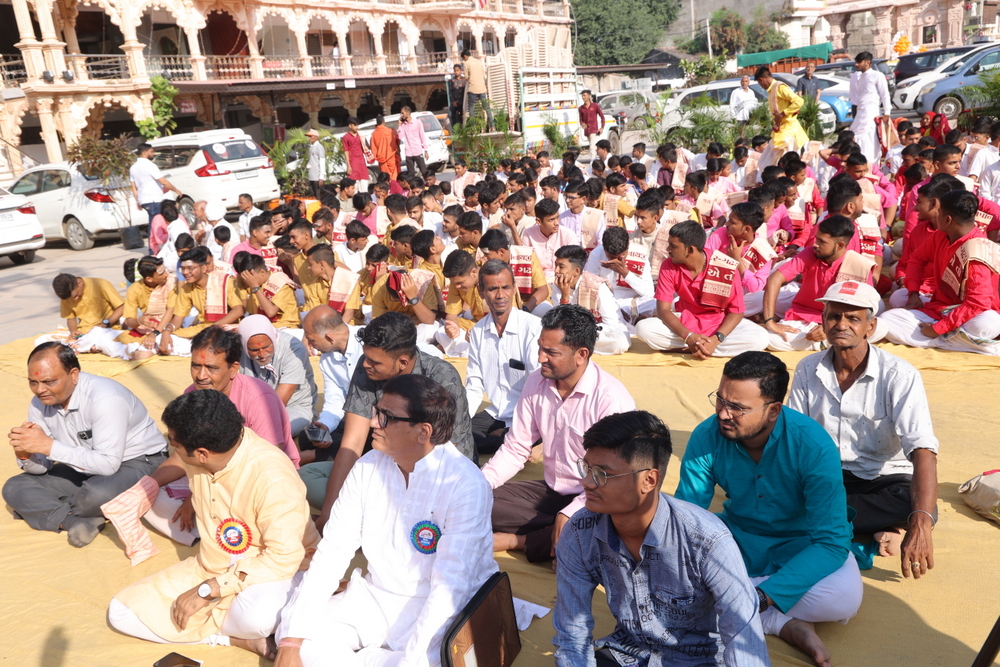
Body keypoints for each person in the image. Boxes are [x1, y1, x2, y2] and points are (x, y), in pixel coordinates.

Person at [273, 374, 497, 666]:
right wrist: (292, 639)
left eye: (386, 417)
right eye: (376, 412)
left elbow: (450, 587)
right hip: (375, 596)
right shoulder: (367, 466)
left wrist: (410, 661)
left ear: (423, 432)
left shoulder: (465, 484)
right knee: (299, 644)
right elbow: (333, 551)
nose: (373, 423)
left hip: (439, 607)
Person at [675, 351, 862, 667]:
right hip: (737, 542)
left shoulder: (813, 446)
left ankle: (749, 609)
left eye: (737, 407)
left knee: (842, 598)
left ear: (773, 410)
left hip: (801, 548)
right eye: (720, 400)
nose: (723, 414)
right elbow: (688, 520)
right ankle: (781, 622)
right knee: (670, 575)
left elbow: (831, 542)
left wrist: (761, 597)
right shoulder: (707, 436)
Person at [107, 389, 319, 658]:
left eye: (175, 444)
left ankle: (236, 628)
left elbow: (283, 558)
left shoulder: (272, 477)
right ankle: (231, 638)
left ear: (202, 454)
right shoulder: (210, 453)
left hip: (277, 571)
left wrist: (210, 589)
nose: (172, 450)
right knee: (121, 612)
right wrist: (145, 489)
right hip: (211, 565)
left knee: (259, 617)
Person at [554, 411, 770, 667]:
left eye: (602, 474)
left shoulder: (707, 541)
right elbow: (572, 637)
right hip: (628, 654)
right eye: (586, 468)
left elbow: (743, 640)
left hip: (700, 660)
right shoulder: (580, 532)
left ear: (648, 480)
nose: (586, 482)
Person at [788, 281, 939, 578]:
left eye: (853, 318)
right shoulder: (808, 368)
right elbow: (794, 437)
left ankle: (827, 521)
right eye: (833, 316)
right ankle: (867, 527)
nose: (841, 324)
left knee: (917, 505)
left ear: (870, 327)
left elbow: (923, 449)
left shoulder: (899, 375)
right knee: (763, 488)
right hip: (824, 477)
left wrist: (921, 524)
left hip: (881, 480)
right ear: (823, 321)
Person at [483, 305, 636, 563]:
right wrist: (478, 485)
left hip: (598, 497)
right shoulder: (536, 382)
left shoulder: (611, 400)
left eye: (551, 352)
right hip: (551, 493)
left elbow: (613, 477)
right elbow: (516, 448)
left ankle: (520, 540)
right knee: (481, 501)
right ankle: (558, 537)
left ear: (581, 355)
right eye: (540, 348)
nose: (540, 358)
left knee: (607, 523)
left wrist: (572, 511)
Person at [302, 313, 475, 522]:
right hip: (387, 464)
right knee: (308, 476)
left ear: (402, 362)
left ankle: (373, 517)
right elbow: (353, 443)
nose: (366, 364)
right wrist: (329, 516)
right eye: (366, 357)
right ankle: (371, 515)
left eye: (374, 362)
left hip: (437, 476)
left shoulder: (442, 377)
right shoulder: (367, 367)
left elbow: (446, 454)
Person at [3, 343, 168, 547]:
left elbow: (108, 464)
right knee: (15, 488)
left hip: (138, 461)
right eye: (33, 382)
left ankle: (53, 511)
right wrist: (25, 454)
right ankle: (75, 520)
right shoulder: (39, 403)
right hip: (83, 465)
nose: (40, 390)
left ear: (73, 375)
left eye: (49, 382)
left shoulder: (105, 398)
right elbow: (42, 467)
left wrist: (48, 447)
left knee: (93, 497)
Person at [881, 189, 1000, 355]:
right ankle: (963, 343)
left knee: (988, 323)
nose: (937, 217)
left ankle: (942, 339)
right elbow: (917, 258)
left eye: (939, 213)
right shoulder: (941, 235)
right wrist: (914, 293)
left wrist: (937, 329)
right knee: (889, 317)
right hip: (940, 308)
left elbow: (977, 303)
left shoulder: (977, 249)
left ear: (947, 219)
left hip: (972, 315)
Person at [635, 221, 770, 358]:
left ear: (690, 250)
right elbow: (663, 310)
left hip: (719, 325)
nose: (668, 249)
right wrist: (688, 336)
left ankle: (699, 347)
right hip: (685, 322)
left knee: (761, 338)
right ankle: (702, 347)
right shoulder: (668, 265)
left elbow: (736, 312)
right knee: (643, 329)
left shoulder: (724, 265)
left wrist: (716, 340)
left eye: (673, 246)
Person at [762, 215, 887, 352]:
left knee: (880, 327)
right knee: (771, 338)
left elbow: (863, 308)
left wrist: (827, 328)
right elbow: (774, 279)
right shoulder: (811, 253)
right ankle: (829, 343)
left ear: (840, 245)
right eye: (816, 239)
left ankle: (823, 341)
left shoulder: (858, 265)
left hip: (840, 322)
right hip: (804, 318)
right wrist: (769, 321)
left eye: (821, 241)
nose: (815, 244)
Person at [465, 259, 543, 455]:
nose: (500, 295)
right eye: (493, 289)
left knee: (494, 441)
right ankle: (506, 441)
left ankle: (512, 439)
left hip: (528, 416)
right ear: (481, 292)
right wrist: (460, 422)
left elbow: (540, 387)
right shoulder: (478, 332)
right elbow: (474, 385)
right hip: (496, 413)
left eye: (506, 287)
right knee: (456, 436)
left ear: (514, 288)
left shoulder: (533, 328)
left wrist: (517, 426)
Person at [299, 306, 364, 472]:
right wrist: (326, 425)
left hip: (376, 417)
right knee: (308, 437)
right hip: (352, 414)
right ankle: (326, 453)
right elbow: (335, 398)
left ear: (329, 337)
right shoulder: (327, 358)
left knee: (365, 439)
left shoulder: (368, 343)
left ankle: (315, 456)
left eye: (312, 340)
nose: (311, 345)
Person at [238, 315, 317, 437]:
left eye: (266, 347)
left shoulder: (294, 350)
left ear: (274, 338)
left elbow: (278, 403)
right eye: (254, 350)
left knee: (268, 433)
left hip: (294, 408)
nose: (262, 354)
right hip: (252, 409)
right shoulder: (237, 348)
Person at [158, 247, 244, 356]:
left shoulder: (225, 281)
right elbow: (178, 319)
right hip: (202, 330)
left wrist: (212, 329)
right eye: (182, 269)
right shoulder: (186, 288)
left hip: (226, 329)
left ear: (203, 268)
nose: (185, 272)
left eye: (190, 268)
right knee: (160, 340)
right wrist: (166, 331)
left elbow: (238, 310)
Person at [549, 245, 631, 355]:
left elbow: (611, 324)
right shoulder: (558, 285)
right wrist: (565, 297)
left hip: (599, 331)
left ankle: (574, 347)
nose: (556, 271)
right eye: (556, 265)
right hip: (571, 332)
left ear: (576, 271)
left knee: (620, 343)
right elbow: (559, 321)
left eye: (561, 267)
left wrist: (581, 331)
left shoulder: (597, 286)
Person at [42, 272, 128, 359]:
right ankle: (89, 347)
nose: (75, 299)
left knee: (109, 345)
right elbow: (70, 318)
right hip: (83, 334)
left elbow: (122, 307)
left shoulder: (101, 284)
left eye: (76, 295)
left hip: (106, 329)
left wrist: (105, 323)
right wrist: (73, 331)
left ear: (79, 282)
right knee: (42, 341)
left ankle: (90, 346)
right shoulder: (67, 295)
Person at [584, 226, 655, 323]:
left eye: (621, 256)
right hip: (609, 301)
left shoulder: (640, 253)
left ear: (628, 247)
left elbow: (649, 292)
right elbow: (592, 289)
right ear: (604, 249)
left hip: (635, 301)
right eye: (612, 257)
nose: (616, 261)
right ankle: (631, 318)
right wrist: (614, 306)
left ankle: (629, 318)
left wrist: (625, 273)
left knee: (653, 302)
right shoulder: (596, 254)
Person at [120, 256, 177, 360]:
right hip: (147, 327)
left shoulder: (172, 282)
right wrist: (139, 321)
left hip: (171, 325)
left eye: (165, 270)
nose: (166, 274)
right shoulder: (134, 289)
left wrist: (155, 333)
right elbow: (128, 321)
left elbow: (171, 311)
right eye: (161, 273)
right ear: (149, 279)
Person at [129, 142, 182, 240]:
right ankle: (154, 246)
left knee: (154, 222)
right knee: (156, 224)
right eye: (151, 151)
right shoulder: (149, 165)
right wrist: (176, 190)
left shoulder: (133, 167)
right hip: (153, 199)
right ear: (145, 152)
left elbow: (133, 187)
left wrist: (138, 201)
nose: (153, 154)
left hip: (144, 200)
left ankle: (155, 245)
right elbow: (163, 181)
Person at [849, 52, 892, 166]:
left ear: (868, 62)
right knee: (856, 136)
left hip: (871, 112)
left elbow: (885, 94)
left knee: (869, 138)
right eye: (856, 62)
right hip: (860, 112)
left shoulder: (877, 75)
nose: (856, 64)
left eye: (859, 62)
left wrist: (887, 112)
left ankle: (871, 166)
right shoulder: (859, 76)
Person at [754, 66, 808, 154]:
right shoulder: (772, 89)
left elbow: (799, 101)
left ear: (761, 80)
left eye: (759, 83)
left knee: (784, 159)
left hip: (788, 132)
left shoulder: (779, 87)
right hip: (781, 130)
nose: (761, 86)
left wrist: (782, 114)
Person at [462, 48, 493, 130]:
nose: (464, 60)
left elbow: (466, 77)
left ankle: (473, 128)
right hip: (482, 88)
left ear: (465, 56)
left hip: (473, 88)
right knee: (486, 107)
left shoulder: (466, 63)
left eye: (463, 58)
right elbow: (483, 74)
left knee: (471, 108)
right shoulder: (479, 62)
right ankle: (493, 126)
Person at [340, 117, 370, 194]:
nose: (356, 127)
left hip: (362, 162)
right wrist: (348, 166)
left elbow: (367, 147)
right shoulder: (346, 137)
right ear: (350, 126)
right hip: (353, 163)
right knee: (354, 186)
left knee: (364, 185)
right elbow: (346, 151)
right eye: (355, 125)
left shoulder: (360, 135)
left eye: (357, 125)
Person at [398, 106, 429, 177]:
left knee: (424, 171)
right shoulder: (403, 125)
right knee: (411, 174)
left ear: (408, 113)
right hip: (408, 152)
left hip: (417, 151)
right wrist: (399, 125)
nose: (402, 115)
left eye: (403, 113)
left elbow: (422, 136)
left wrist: (426, 150)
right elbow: (400, 137)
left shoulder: (417, 122)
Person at [371, 116, 402, 180]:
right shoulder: (390, 131)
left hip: (381, 160)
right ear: (384, 122)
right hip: (391, 157)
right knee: (394, 177)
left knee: (385, 178)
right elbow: (397, 142)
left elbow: (373, 148)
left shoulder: (374, 134)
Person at [578, 89, 605, 157]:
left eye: (584, 95)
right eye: (582, 96)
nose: (583, 97)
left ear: (589, 96)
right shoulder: (581, 108)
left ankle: (593, 160)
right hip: (587, 130)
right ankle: (599, 157)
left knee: (592, 146)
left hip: (593, 129)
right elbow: (581, 120)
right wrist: (582, 124)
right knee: (593, 146)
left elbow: (602, 117)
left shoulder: (595, 106)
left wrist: (602, 128)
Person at [306, 128, 326, 198]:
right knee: (313, 196)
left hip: (317, 177)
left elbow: (322, 161)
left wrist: (321, 177)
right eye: (308, 136)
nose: (309, 138)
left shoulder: (319, 147)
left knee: (318, 196)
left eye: (311, 136)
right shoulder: (311, 147)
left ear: (316, 137)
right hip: (312, 176)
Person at [449, 63, 467, 127]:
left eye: (457, 70)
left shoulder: (464, 80)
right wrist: (453, 101)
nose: (456, 72)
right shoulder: (452, 80)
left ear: (460, 71)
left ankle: (463, 128)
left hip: (462, 102)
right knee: (452, 114)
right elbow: (450, 92)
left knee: (463, 116)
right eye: (455, 71)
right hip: (454, 102)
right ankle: (454, 128)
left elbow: (465, 92)